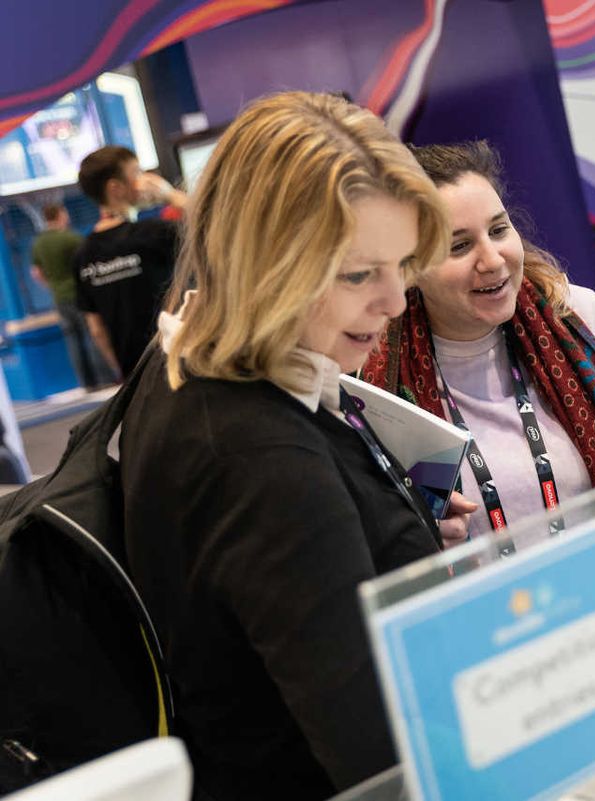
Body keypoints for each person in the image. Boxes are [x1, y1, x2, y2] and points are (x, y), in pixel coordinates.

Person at [120, 91, 451, 800]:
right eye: (360, 273)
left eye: (402, 265)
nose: (395, 301)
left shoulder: (188, 364)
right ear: (266, 264)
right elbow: (382, 756)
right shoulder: (255, 454)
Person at [360, 140, 595, 568]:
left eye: (499, 230)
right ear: (408, 268)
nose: (493, 259)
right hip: (489, 627)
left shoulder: (584, 323)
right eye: (459, 247)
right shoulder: (375, 379)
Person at [74, 145, 187, 379]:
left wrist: (125, 376)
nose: (145, 180)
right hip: (178, 368)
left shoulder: (82, 255)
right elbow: (217, 222)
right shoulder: (155, 234)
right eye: (137, 173)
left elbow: (97, 330)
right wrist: (169, 195)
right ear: (115, 188)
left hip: (136, 378)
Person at [29, 203, 115, 390]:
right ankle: (104, 379)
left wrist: (52, 285)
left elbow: (36, 272)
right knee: (92, 334)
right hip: (79, 294)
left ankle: (87, 383)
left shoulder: (39, 243)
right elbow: (88, 263)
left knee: (73, 340)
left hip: (59, 297)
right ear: (61, 214)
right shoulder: (71, 238)